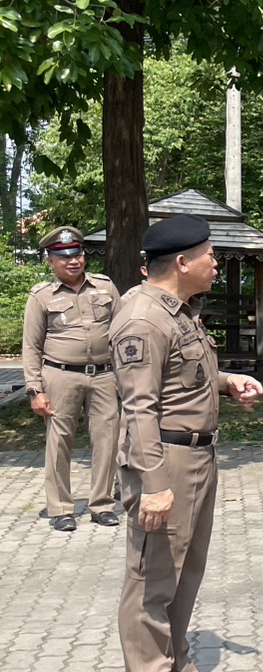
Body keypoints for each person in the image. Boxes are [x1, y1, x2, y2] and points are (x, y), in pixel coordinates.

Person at [112, 215, 263, 672]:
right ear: (182, 262)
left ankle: (175, 666)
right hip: (164, 460)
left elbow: (181, 375)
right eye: (210, 255)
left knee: (184, 571)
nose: (215, 263)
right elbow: (139, 408)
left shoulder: (177, 312)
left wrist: (226, 382)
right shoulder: (143, 318)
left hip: (198, 457)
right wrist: (153, 485)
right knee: (152, 577)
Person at [22, 225, 122, 532]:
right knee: (59, 442)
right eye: (64, 256)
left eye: (77, 254)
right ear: (51, 261)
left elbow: (124, 330)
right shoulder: (41, 296)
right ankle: (61, 509)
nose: (73, 261)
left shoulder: (105, 287)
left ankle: (102, 504)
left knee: (107, 440)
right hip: (60, 376)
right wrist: (34, 390)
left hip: (105, 376)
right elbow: (31, 346)